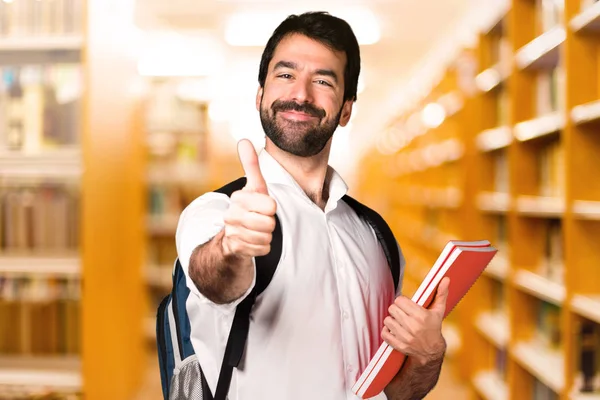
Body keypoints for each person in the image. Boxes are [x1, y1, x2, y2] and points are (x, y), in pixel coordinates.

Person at [175, 11, 449, 400]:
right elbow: (214, 281)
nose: (301, 94)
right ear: (260, 94)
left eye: (323, 80)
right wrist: (232, 247)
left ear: (347, 108)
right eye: (285, 75)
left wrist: (426, 357)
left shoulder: (378, 239)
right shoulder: (219, 213)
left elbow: (391, 393)